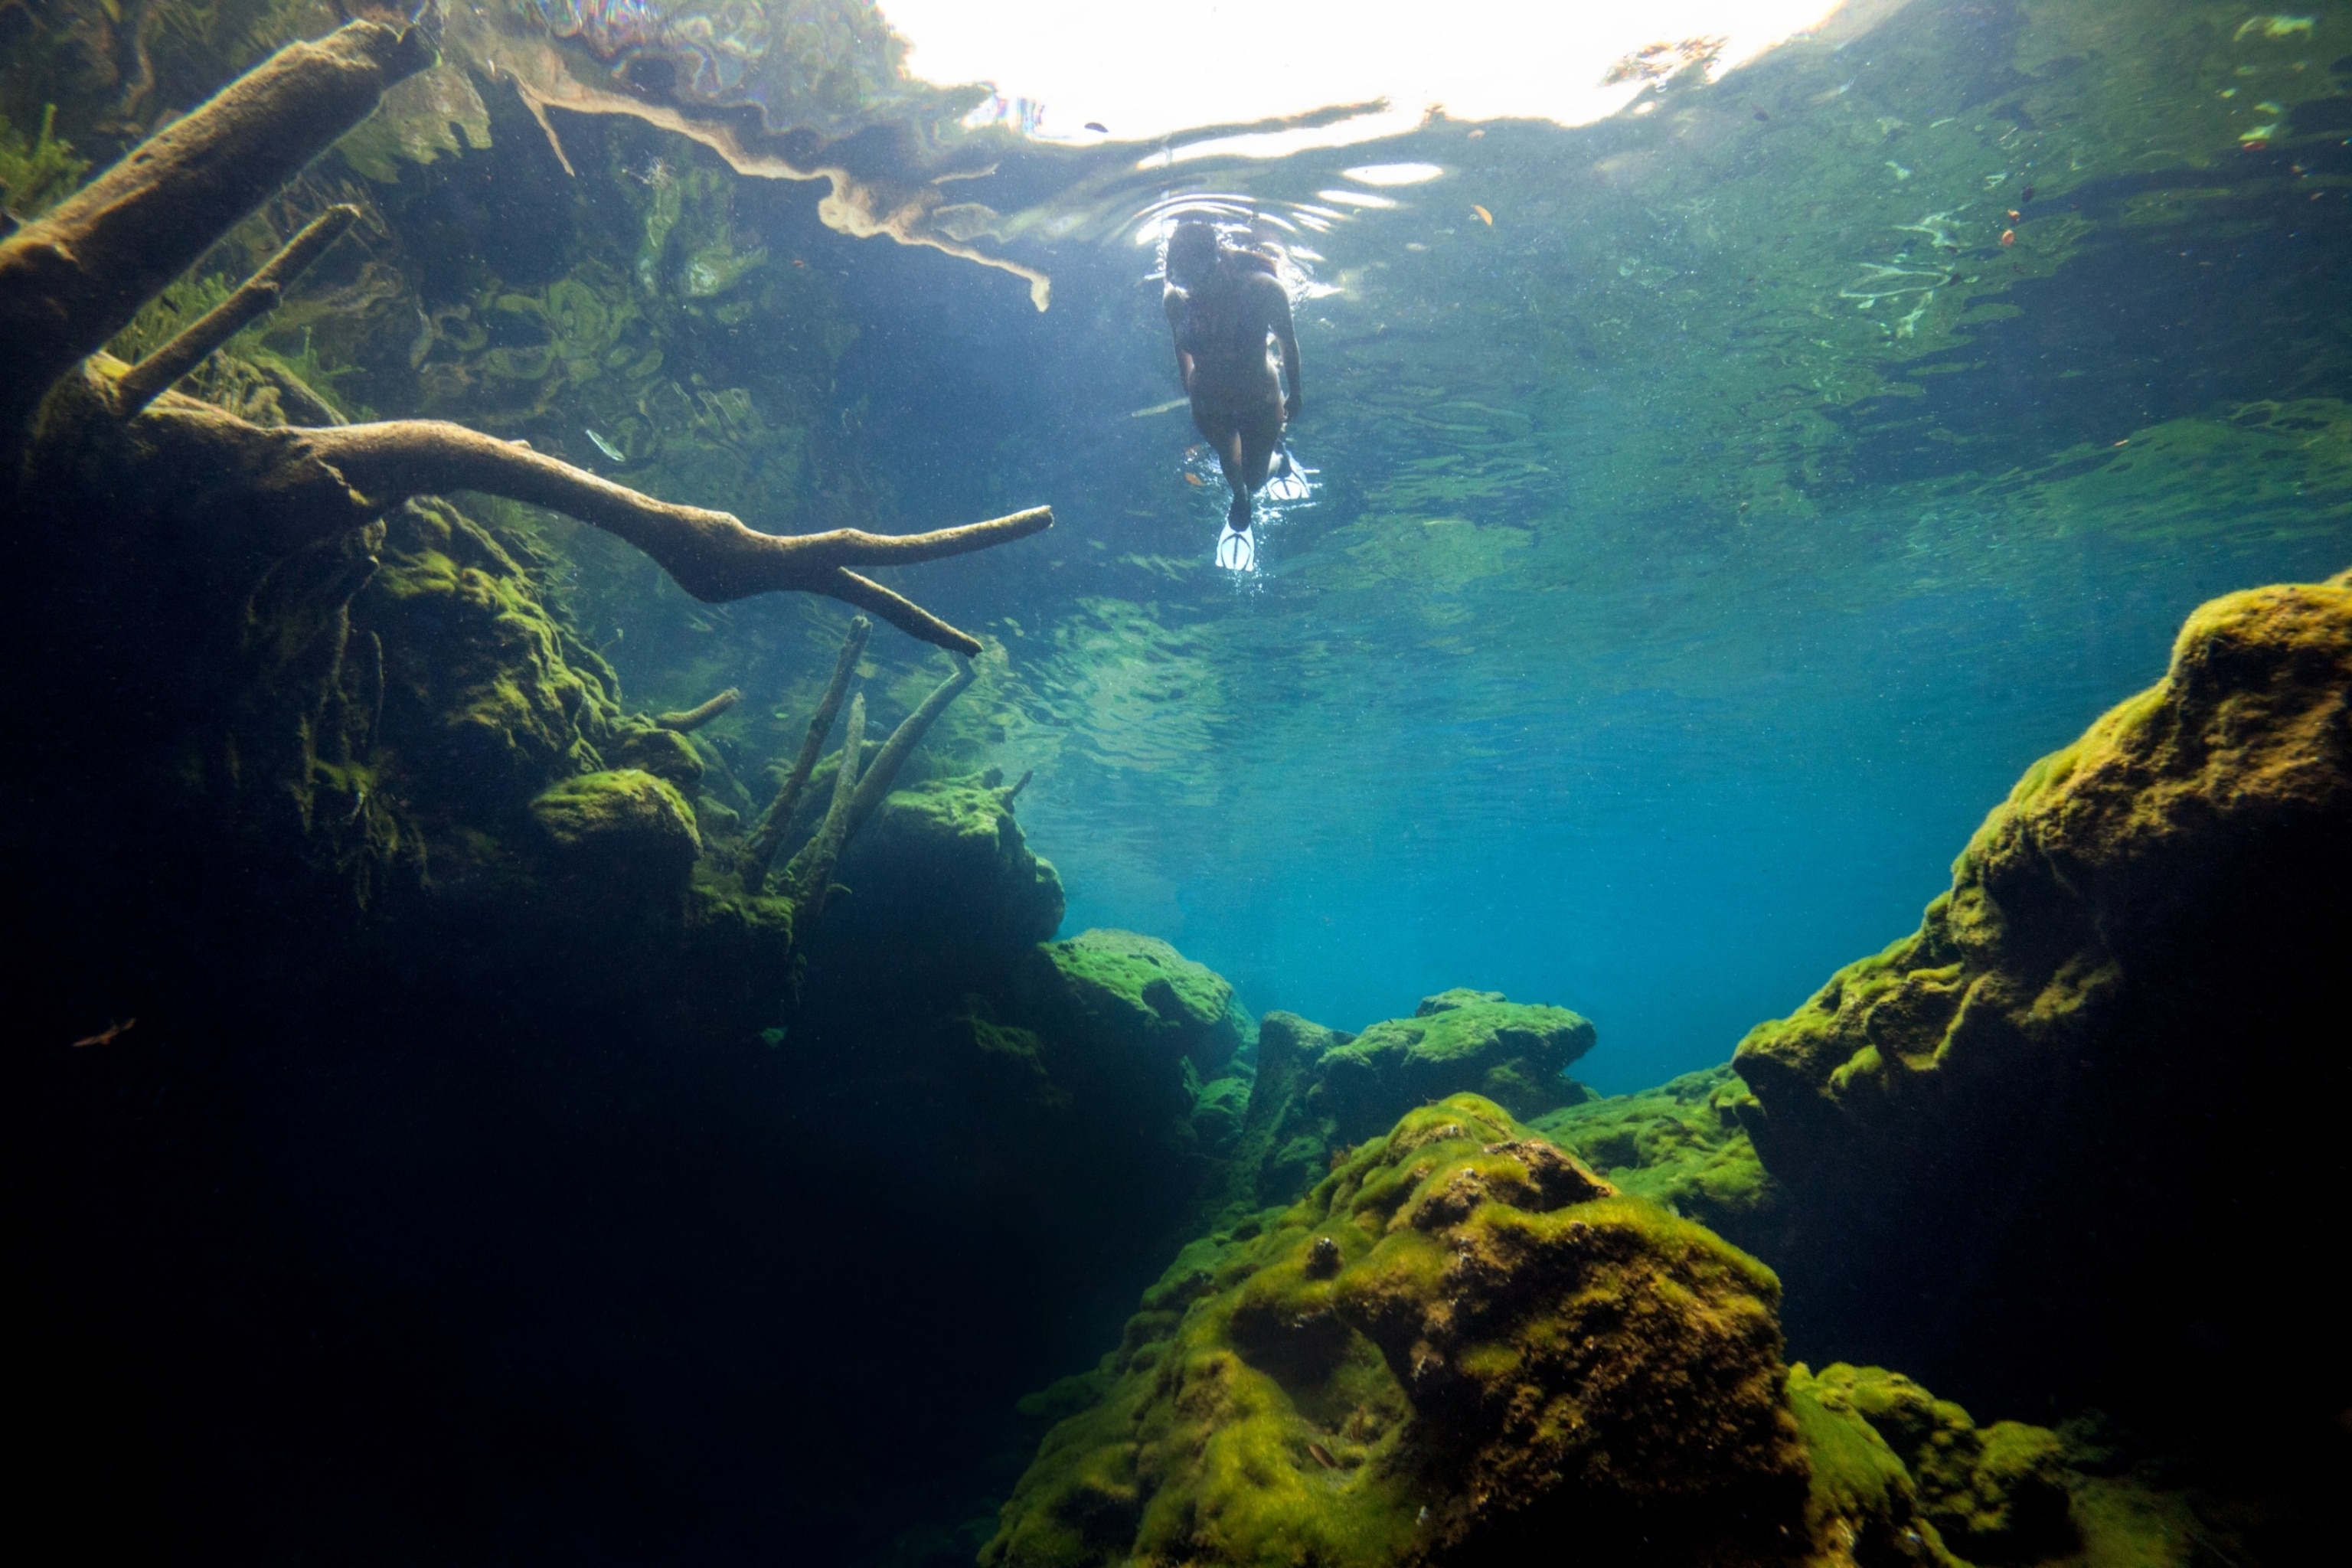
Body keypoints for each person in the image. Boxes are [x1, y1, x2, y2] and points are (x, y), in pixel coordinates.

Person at [1162, 219, 1301, 566]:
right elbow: (1181, 347)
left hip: (1260, 400)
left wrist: (1296, 392)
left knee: (1255, 478)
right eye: (1183, 281)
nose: (1193, 289)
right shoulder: (1176, 298)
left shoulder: (1263, 289)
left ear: (1217, 261)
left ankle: (1279, 458)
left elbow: (1288, 342)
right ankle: (1239, 499)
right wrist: (1188, 387)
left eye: (1199, 278)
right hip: (1210, 406)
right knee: (1230, 462)